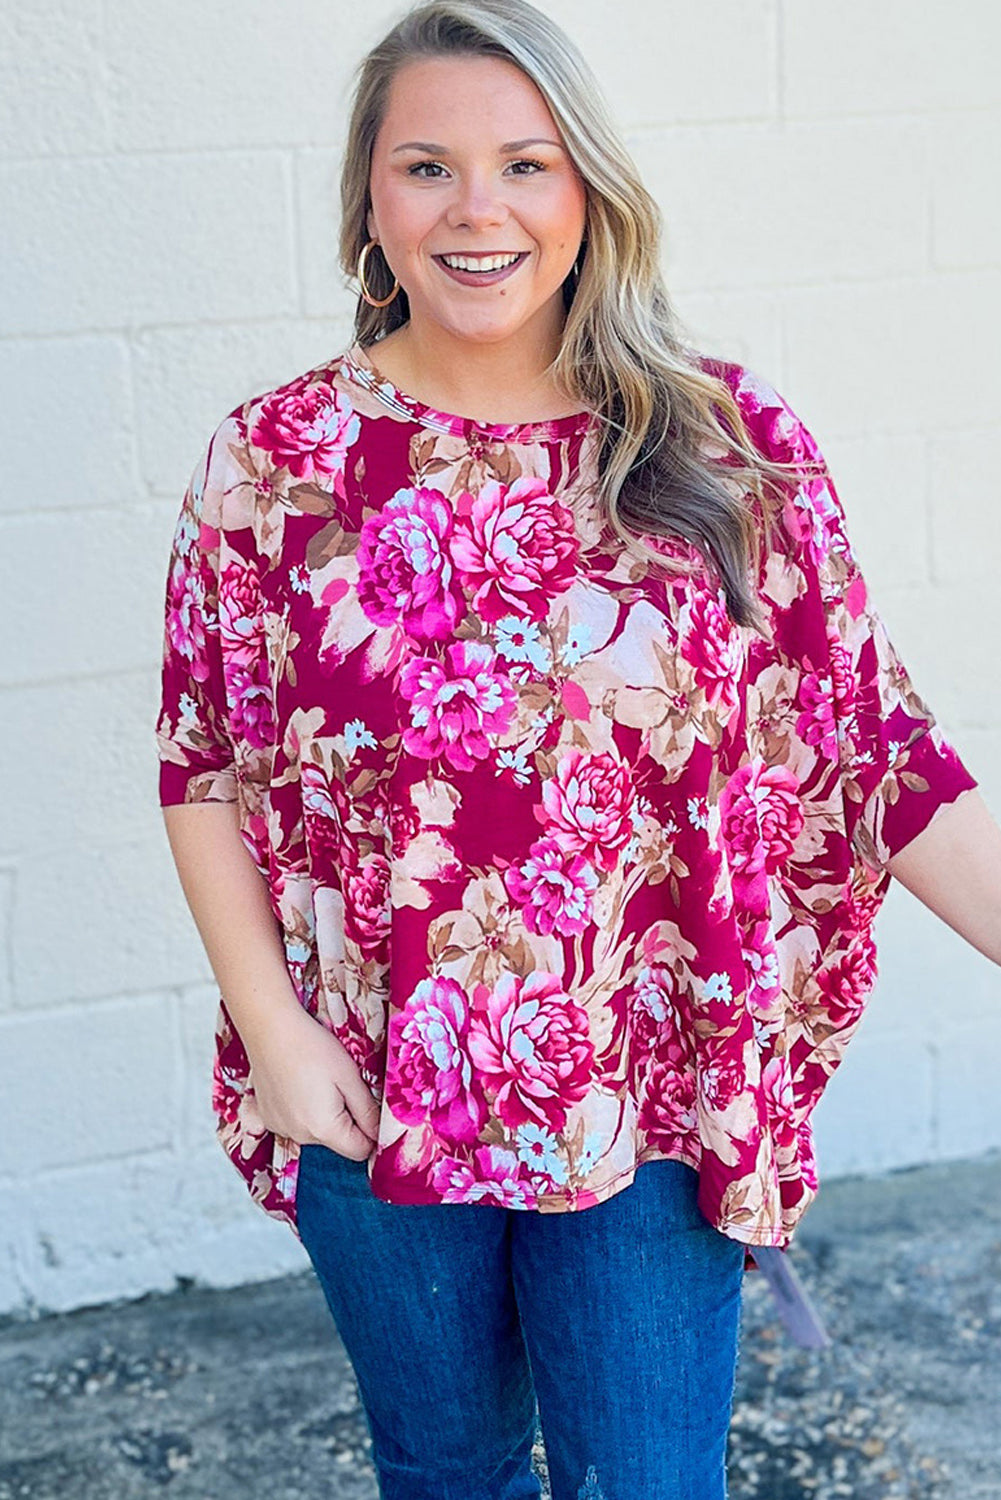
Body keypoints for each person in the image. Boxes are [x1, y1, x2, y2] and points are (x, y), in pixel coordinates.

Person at [155, 1, 1001, 1496]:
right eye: (427, 166)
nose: (477, 211)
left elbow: (873, 750)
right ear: (368, 197)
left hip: (649, 1088)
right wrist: (276, 1036)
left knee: (642, 1478)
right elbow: (205, 763)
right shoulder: (275, 464)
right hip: (372, 1081)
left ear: (587, 193)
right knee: (445, 1467)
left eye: (525, 165)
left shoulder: (720, 445)